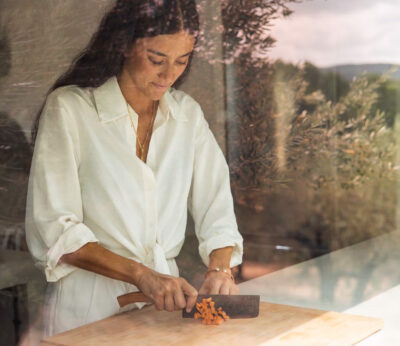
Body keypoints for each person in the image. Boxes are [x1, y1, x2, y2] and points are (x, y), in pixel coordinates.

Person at [25, 0, 243, 337]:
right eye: (157, 59)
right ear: (125, 45)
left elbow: (216, 207)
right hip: (88, 309)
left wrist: (221, 269)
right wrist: (141, 274)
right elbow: (57, 230)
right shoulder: (70, 110)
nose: (169, 74)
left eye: (181, 61)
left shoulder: (186, 115)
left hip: (165, 308)